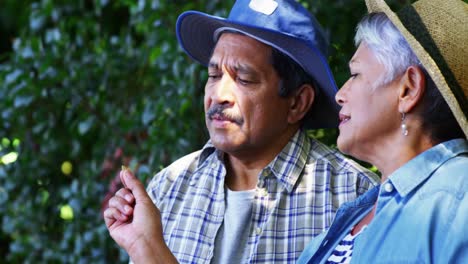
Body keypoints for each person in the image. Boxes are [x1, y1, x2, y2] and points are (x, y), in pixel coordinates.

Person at [104, 0, 379, 263]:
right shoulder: (168, 188)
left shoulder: (357, 198)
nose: (219, 94)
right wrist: (143, 246)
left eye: (244, 79)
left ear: (297, 102)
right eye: (213, 75)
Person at [297, 0, 468, 263]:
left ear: (408, 90)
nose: (340, 95)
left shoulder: (460, 198)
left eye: (355, 75)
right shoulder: (355, 215)